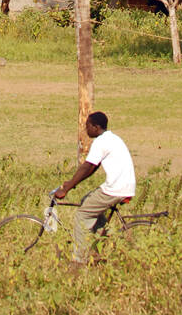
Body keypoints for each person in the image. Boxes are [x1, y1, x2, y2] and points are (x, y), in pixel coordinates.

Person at [54, 111, 136, 265]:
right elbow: (92, 168)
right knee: (87, 200)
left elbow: (87, 167)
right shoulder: (112, 138)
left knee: (82, 214)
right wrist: (71, 183)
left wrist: (66, 189)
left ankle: (79, 261)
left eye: (88, 126)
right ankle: (98, 243)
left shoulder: (101, 142)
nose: (86, 130)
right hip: (123, 185)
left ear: (96, 127)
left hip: (116, 188)